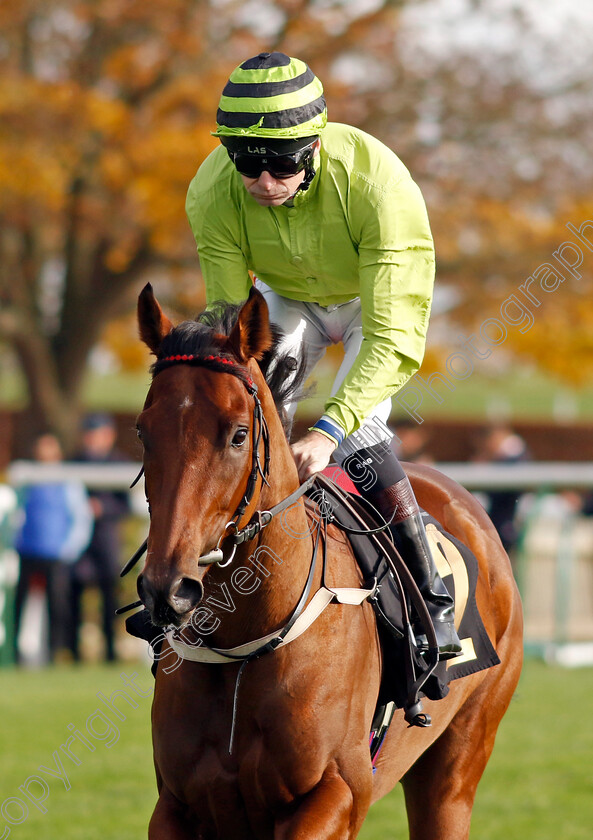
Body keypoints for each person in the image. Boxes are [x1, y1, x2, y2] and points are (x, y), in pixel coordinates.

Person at [186, 52, 461, 658]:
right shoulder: (211, 191)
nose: (263, 181)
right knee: (245, 407)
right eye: (247, 162)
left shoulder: (379, 186)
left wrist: (330, 431)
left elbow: (391, 339)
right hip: (286, 297)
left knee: (359, 434)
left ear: (313, 145)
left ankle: (430, 600)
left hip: (372, 305)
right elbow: (232, 326)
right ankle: (207, 577)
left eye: (281, 162)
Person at [14, 433, 92, 663]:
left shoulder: (68, 480)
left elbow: (80, 517)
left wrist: (69, 549)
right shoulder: (28, 478)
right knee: (20, 604)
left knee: (57, 606)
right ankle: (17, 653)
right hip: (28, 551)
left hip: (56, 554)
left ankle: (55, 651)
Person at [68, 414, 130, 662]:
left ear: (109, 435)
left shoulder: (119, 464)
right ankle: (71, 652)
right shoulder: (73, 462)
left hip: (106, 539)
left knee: (109, 597)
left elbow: (125, 506)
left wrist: (102, 508)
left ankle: (110, 653)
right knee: (72, 594)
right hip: (75, 541)